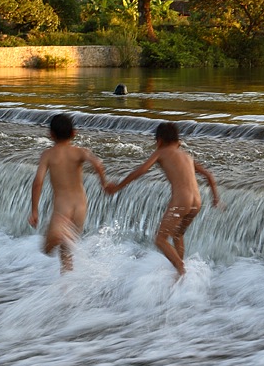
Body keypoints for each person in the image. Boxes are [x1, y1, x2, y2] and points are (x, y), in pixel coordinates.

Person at [104, 122, 220, 277]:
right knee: (177, 235)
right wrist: (215, 198)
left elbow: (141, 170)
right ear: (178, 141)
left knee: (160, 239)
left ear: (159, 141)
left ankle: (180, 268)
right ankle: (180, 272)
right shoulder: (187, 156)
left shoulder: (161, 152)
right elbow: (209, 176)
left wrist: (118, 186)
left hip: (182, 201)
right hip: (197, 202)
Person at [28, 113, 108, 273]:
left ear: (51, 135)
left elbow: (38, 182)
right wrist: (104, 183)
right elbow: (98, 164)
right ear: (74, 133)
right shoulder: (79, 152)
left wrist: (35, 210)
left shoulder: (48, 155)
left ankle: (60, 232)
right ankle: (68, 289)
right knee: (66, 252)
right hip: (81, 207)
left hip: (62, 208)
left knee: (47, 249)